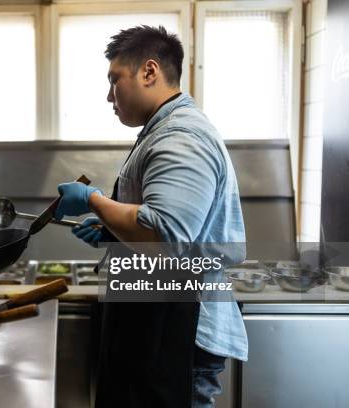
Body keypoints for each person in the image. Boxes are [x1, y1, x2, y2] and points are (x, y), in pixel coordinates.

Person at [54, 25, 248, 408]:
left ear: (149, 72)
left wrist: (94, 201)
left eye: (115, 80)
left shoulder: (181, 136)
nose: (109, 95)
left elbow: (167, 237)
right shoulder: (160, 130)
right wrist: (113, 230)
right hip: (158, 322)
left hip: (178, 330)